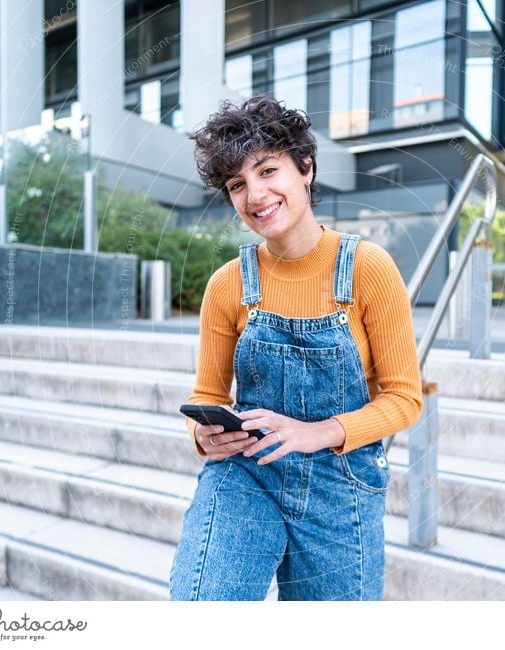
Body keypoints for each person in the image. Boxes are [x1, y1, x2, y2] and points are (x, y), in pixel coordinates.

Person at [169, 95, 423, 601]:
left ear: (305, 168)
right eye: (237, 184)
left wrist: (316, 433)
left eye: (267, 170)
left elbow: (404, 398)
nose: (255, 194)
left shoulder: (369, 268)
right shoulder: (227, 285)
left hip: (341, 485)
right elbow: (207, 394)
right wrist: (205, 437)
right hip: (247, 475)